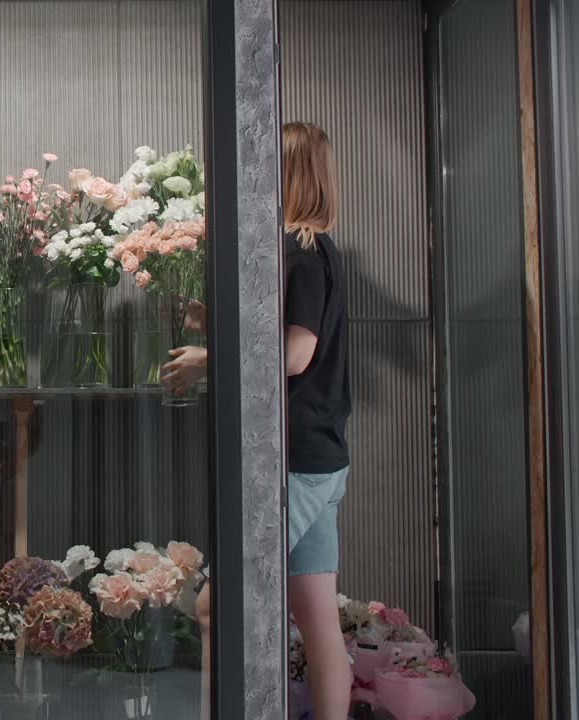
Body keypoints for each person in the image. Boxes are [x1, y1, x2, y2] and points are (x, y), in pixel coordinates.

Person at [166, 121, 352, 720]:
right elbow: (292, 344)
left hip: (295, 465)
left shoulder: (299, 250)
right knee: (318, 624)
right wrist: (216, 323)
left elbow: (295, 355)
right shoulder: (320, 250)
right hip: (320, 462)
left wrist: (209, 359)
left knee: (212, 609)